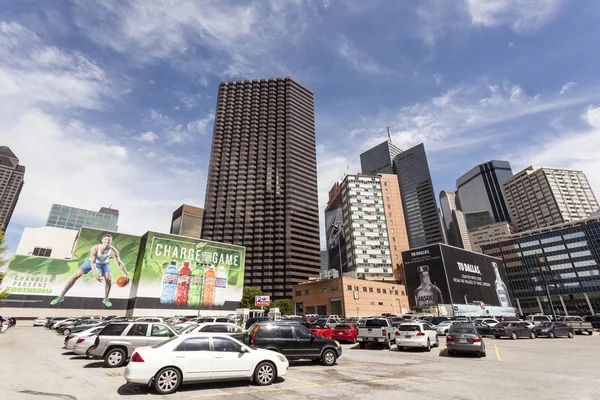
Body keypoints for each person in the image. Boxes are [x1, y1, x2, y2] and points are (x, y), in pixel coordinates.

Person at [50, 234, 129, 308]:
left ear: (110, 241)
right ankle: (61, 296)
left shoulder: (113, 251)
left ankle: (105, 299)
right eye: (106, 239)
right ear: (102, 240)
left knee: (108, 279)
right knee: (75, 276)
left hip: (104, 264)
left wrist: (127, 275)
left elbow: (119, 263)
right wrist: (96, 275)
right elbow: (93, 263)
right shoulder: (95, 248)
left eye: (109, 240)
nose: (107, 241)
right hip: (91, 262)